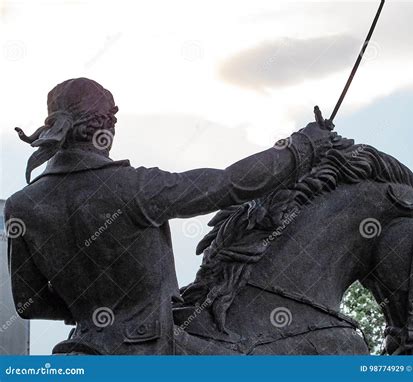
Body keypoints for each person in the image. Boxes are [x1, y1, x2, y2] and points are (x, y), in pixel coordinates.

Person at [5, 77, 334, 355]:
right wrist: (301, 147)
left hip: (82, 347)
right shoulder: (135, 187)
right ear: (104, 125)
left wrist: (92, 316)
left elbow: (30, 304)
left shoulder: (21, 206)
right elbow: (229, 183)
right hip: (155, 347)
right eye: (113, 120)